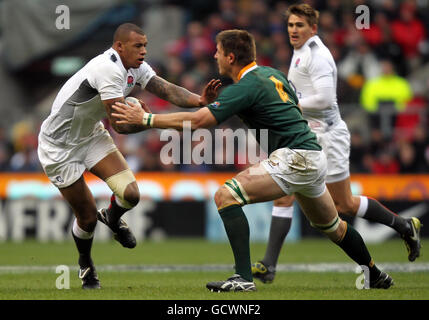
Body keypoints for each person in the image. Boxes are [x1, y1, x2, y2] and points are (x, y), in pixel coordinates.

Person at [112, 29, 393, 291]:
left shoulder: (245, 87)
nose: (214, 56)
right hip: (313, 156)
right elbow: (285, 107)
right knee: (334, 227)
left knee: (226, 196)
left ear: (230, 57)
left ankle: (243, 278)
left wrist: (146, 119)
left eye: (218, 52)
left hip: (294, 157)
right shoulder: (273, 75)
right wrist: (211, 104)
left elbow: (199, 122)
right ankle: (375, 274)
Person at [37, 23, 220, 289]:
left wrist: (199, 101)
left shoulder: (135, 66)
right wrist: (149, 120)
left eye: (145, 45)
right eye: (138, 46)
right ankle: (85, 264)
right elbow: (121, 125)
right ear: (119, 46)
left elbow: (165, 89)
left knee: (131, 195)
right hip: (59, 147)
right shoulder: (108, 69)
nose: (144, 51)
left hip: (90, 136)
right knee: (86, 217)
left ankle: (111, 217)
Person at [251, 4, 422, 284]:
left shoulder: (317, 56)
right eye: (291, 25)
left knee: (343, 204)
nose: (294, 30)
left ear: (313, 28)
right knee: (285, 192)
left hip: (328, 136)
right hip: (307, 135)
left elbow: (324, 100)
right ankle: (269, 265)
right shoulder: (300, 53)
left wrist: (288, 105)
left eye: (300, 25)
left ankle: (403, 226)